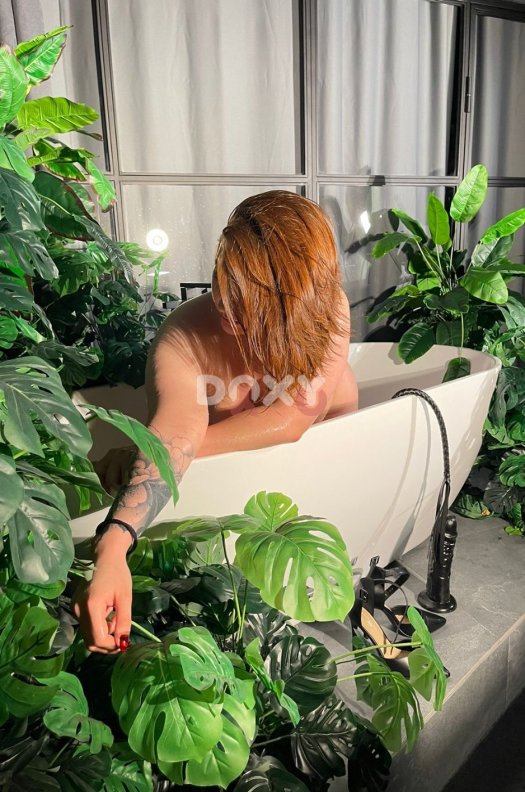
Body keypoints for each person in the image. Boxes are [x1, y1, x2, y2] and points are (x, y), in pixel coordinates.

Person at [72, 190, 359, 653]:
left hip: (330, 441)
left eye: (249, 299)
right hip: (244, 478)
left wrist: (157, 453)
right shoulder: (183, 339)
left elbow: (290, 420)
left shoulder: (328, 311)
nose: (224, 304)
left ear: (301, 302)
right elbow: (178, 427)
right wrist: (113, 545)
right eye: (223, 280)